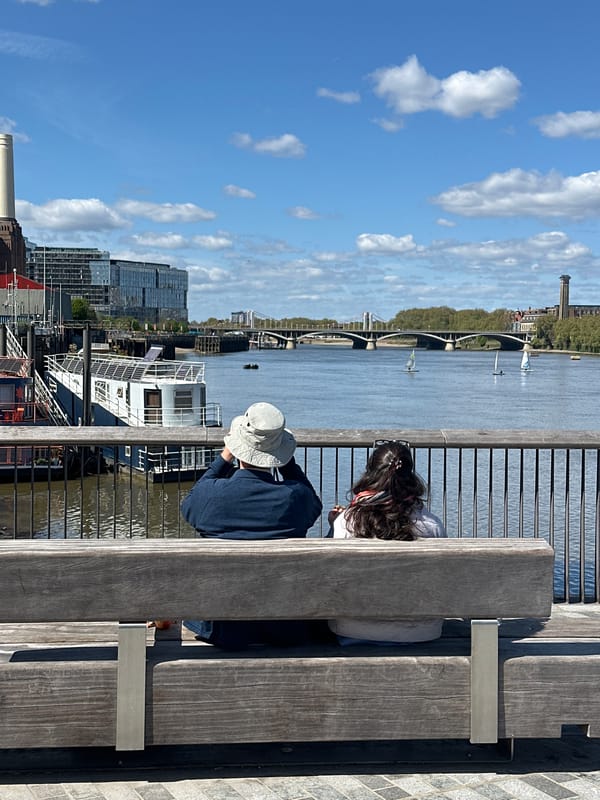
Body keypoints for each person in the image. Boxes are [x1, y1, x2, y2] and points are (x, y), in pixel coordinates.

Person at [180, 401, 324, 649]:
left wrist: (224, 458)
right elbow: (314, 503)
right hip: (285, 627)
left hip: (225, 629)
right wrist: (286, 462)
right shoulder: (296, 498)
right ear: (279, 455)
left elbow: (189, 504)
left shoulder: (211, 497)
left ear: (237, 449)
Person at [328, 439, 447, 645]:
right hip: (421, 632)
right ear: (410, 476)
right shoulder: (432, 525)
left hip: (353, 630)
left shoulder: (346, 522)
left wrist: (334, 525)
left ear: (370, 473)